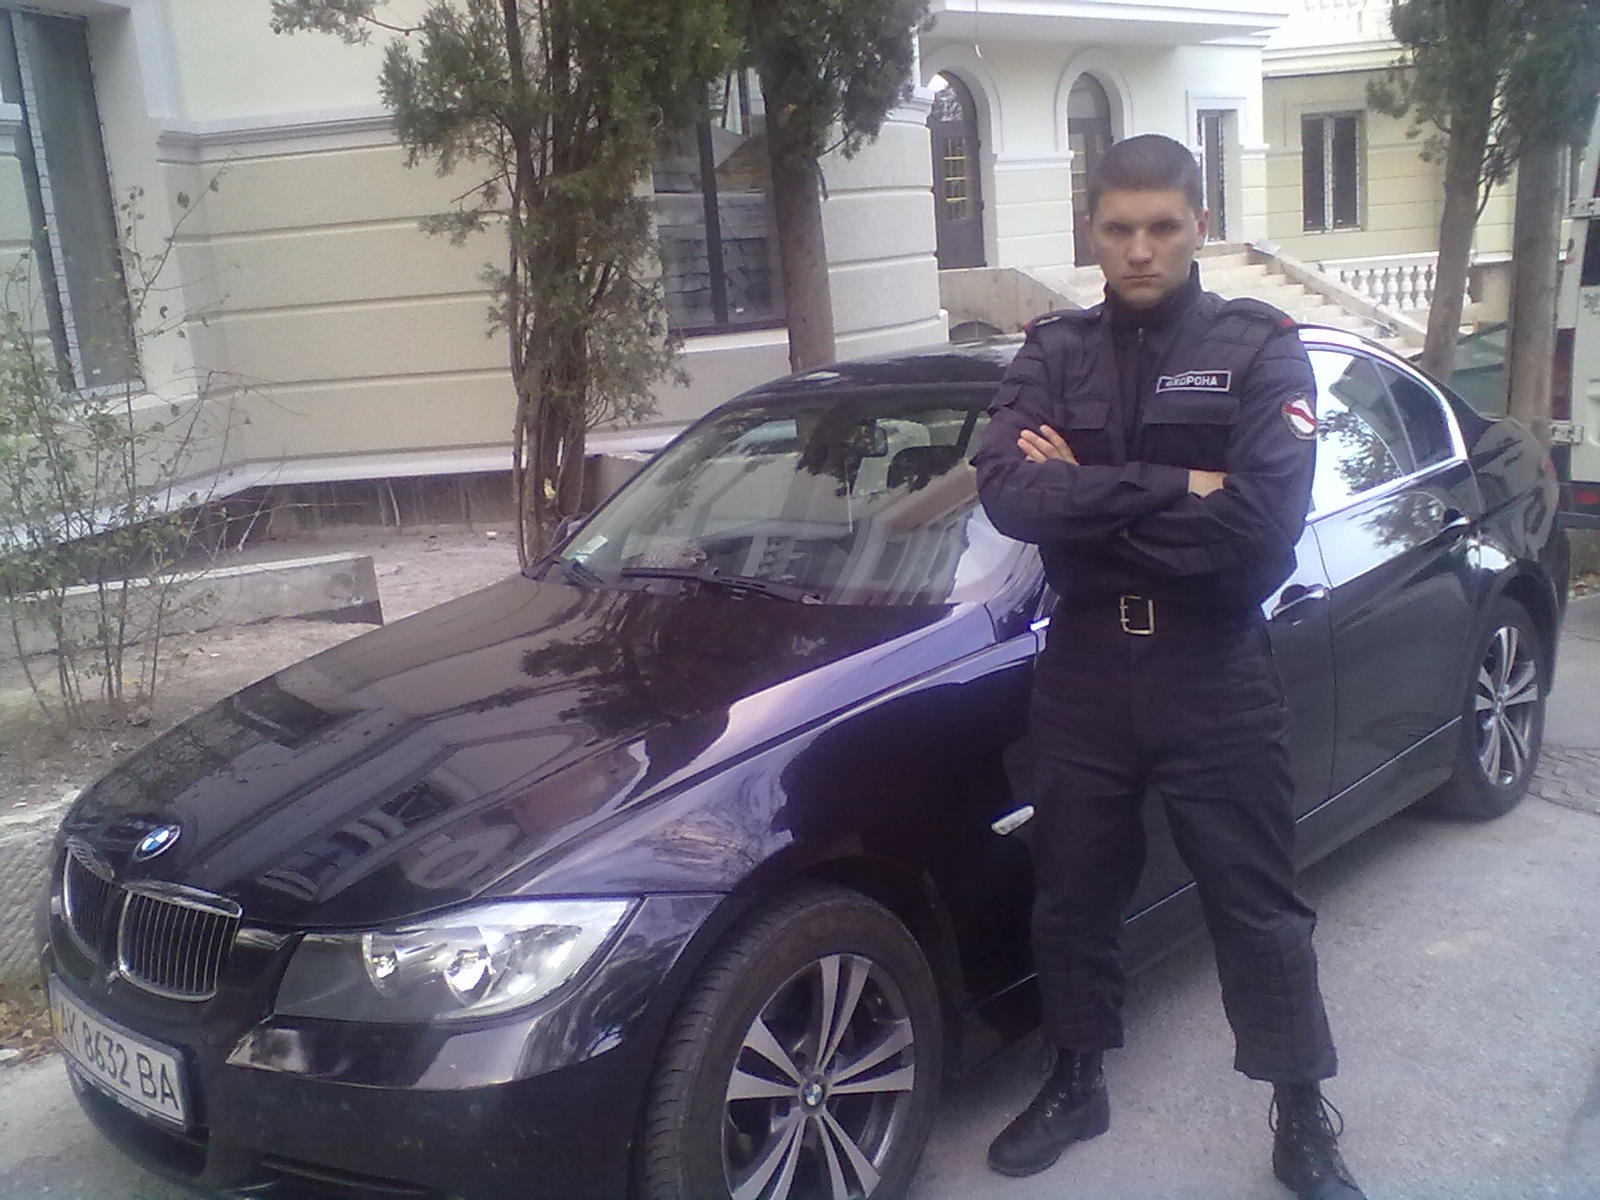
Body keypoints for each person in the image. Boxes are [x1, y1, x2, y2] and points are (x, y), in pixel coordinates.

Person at [972, 132, 1366, 1200]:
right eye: (1118, 229)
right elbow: (1008, 494)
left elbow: (1260, 528)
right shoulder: (1053, 351)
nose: (1138, 249)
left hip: (1212, 666)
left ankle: (1301, 1113)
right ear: (1090, 232)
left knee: (1256, 903)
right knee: (1071, 895)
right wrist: (1177, 484)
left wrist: (1088, 495)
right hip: (1086, 669)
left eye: (1160, 227)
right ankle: (1075, 1081)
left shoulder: (1259, 346)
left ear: (1199, 224)